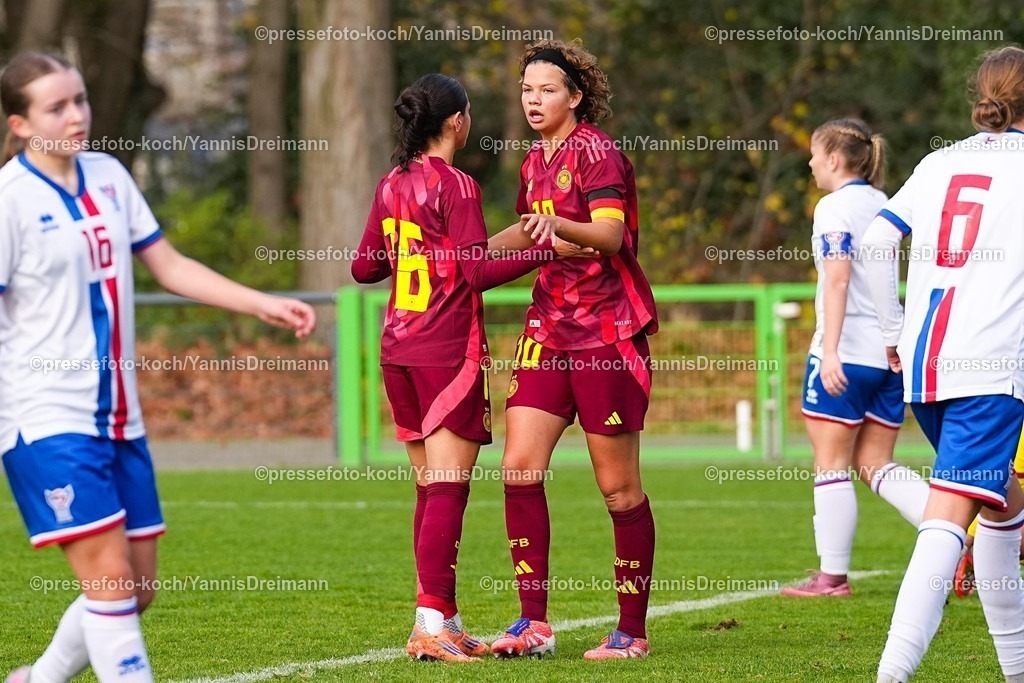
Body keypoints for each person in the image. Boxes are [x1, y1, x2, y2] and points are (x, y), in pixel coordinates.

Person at [0, 52, 315, 683]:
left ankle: (37, 680)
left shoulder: (110, 175)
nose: (76, 115)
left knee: (135, 588)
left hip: (120, 416)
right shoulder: (8, 202)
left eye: (81, 99)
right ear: (20, 124)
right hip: (45, 416)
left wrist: (261, 303)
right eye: (56, 107)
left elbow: (168, 266)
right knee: (113, 585)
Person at [351, 73, 565, 662]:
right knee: (448, 489)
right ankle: (429, 621)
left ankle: (442, 618)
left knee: (430, 488)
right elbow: (475, 274)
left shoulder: (392, 182)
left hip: (398, 350)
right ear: (457, 122)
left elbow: (364, 268)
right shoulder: (459, 186)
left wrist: (417, 254)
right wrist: (544, 251)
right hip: (447, 351)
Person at [485, 39, 658, 660]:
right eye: (527, 90)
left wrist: (562, 228)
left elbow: (610, 236)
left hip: (606, 335)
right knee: (518, 468)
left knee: (618, 491)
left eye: (547, 90)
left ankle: (631, 631)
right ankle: (533, 624)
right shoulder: (536, 159)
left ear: (576, 97)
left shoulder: (598, 155)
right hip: (546, 330)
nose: (534, 100)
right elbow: (527, 230)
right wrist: (468, 259)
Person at [863, 46, 1024, 683]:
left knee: (1003, 506)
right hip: (991, 363)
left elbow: (876, 241)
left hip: (928, 365)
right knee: (948, 520)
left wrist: (893, 331)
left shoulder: (940, 160)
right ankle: (891, 675)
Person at [781, 118, 929, 599]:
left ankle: (831, 578)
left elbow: (839, 278)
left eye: (814, 154)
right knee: (876, 462)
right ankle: (959, 531)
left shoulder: (833, 207)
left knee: (830, 464)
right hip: (890, 352)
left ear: (835, 159)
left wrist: (829, 351)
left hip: (845, 354)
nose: (809, 162)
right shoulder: (883, 203)